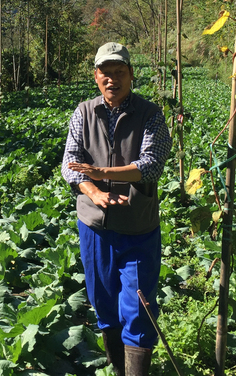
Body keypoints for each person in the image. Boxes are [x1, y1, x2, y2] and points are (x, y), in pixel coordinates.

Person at [61, 42, 172, 375]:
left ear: (131, 75)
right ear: (96, 77)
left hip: (137, 227)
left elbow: (151, 165)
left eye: (119, 72)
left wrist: (102, 173)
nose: (112, 79)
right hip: (94, 227)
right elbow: (69, 163)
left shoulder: (150, 114)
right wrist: (92, 190)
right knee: (104, 303)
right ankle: (116, 368)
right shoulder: (84, 112)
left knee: (139, 307)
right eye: (105, 73)